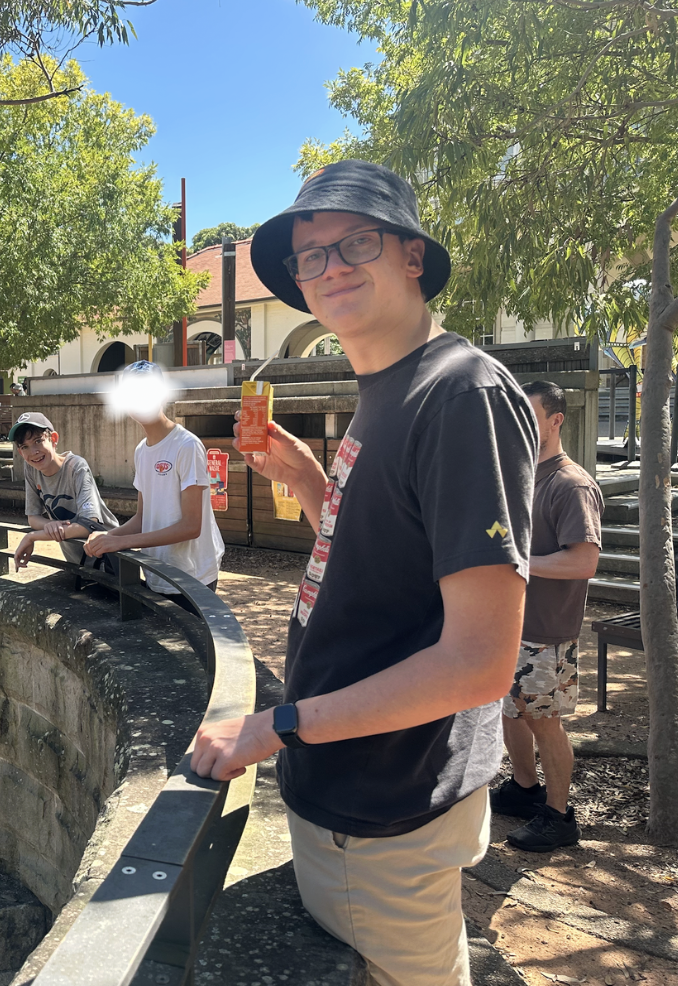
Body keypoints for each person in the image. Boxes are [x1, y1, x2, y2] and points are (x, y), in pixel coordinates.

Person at [189, 160, 537, 986]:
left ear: (412, 256)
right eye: (312, 256)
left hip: (384, 803)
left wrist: (276, 726)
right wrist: (310, 482)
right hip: (368, 785)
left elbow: (480, 660)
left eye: (357, 242)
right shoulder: (385, 387)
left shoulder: (460, 394)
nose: (331, 265)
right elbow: (384, 571)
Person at [491, 381, 602, 851]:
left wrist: (517, 562)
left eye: (528, 416)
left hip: (546, 632)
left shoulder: (571, 484)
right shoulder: (518, 477)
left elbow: (584, 561)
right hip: (509, 625)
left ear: (555, 420)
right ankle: (524, 788)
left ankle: (560, 817)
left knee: (543, 721)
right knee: (510, 713)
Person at [83, 361, 224, 609]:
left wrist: (122, 542)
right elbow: (142, 517)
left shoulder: (187, 445)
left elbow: (191, 527)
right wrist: (108, 536)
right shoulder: (141, 451)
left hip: (192, 574)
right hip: (156, 570)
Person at [10, 412, 119, 572]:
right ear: (20, 452)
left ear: (53, 439)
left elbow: (90, 524)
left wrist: (32, 536)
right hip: (77, 562)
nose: (33, 452)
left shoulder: (76, 467)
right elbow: (33, 517)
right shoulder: (31, 469)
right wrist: (50, 525)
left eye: (38, 441)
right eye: (25, 447)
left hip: (109, 557)